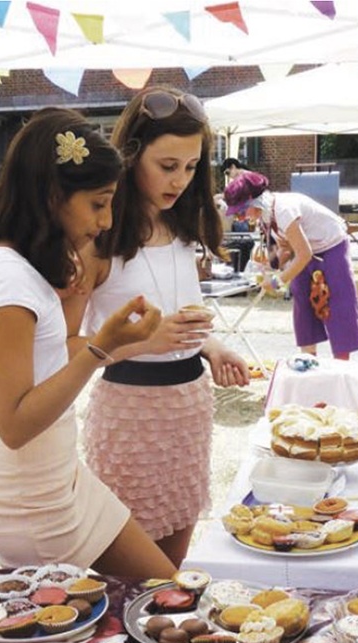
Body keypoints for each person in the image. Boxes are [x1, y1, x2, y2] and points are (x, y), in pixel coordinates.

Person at [0, 107, 177, 579]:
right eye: (98, 203)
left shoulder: (18, 270)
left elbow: (44, 364)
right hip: (34, 499)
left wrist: (112, 342)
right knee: (164, 597)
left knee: (165, 591)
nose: (108, 220)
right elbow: (13, 423)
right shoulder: (8, 281)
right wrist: (98, 349)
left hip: (54, 479)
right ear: (52, 195)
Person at [65, 87, 250, 568]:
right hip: (130, 417)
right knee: (133, 574)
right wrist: (145, 341)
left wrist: (210, 346)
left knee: (173, 568)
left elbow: (177, 322)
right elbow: (66, 347)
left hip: (189, 411)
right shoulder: (98, 240)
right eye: (168, 166)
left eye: (191, 168)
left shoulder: (182, 228)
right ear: (132, 156)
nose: (180, 181)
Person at [223, 170, 358, 359]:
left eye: (241, 212)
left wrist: (277, 281)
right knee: (301, 295)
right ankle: (308, 360)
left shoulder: (284, 210)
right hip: (307, 249)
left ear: (254, 202)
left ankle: (341, 364)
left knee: (337, 300)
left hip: (331, 245)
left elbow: (303, 254)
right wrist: (268, 268)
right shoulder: (265, 217)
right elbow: (286, 250)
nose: (240, 218)